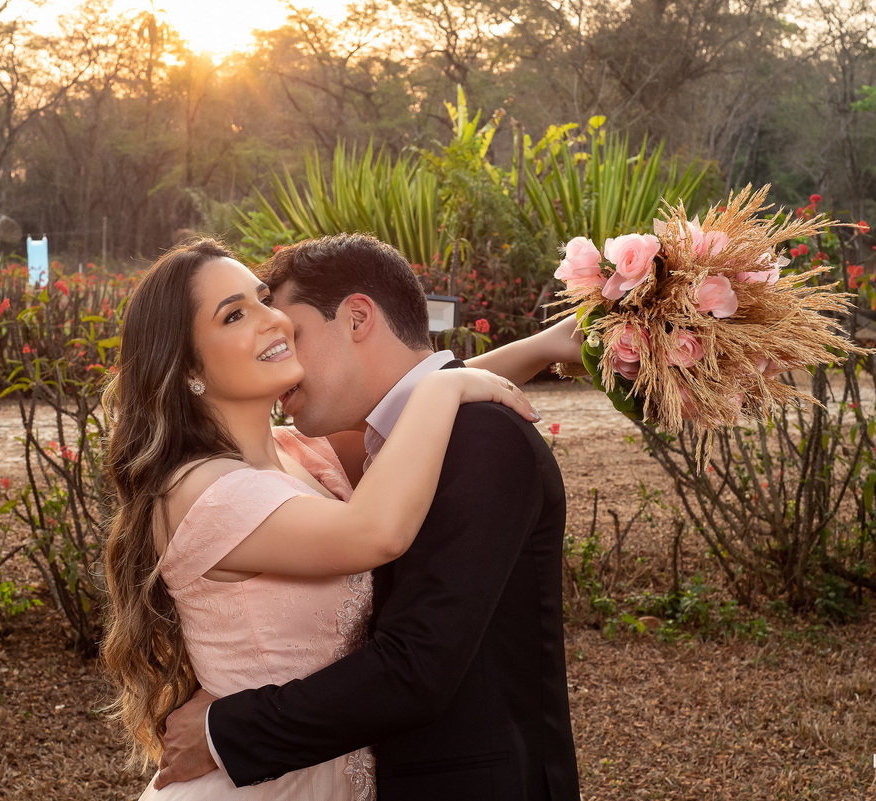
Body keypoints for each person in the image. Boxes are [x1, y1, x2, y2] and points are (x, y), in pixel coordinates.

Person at [100, 237, 574, 801]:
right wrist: (445, 386)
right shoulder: (202, 490)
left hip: (329, 767)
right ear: (186, 371)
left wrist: (542, 347)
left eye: (261, 300)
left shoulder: (303, 456)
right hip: (262, 782)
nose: (271, 320)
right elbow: (376, 529)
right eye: (234, 315)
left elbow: (398, 407)